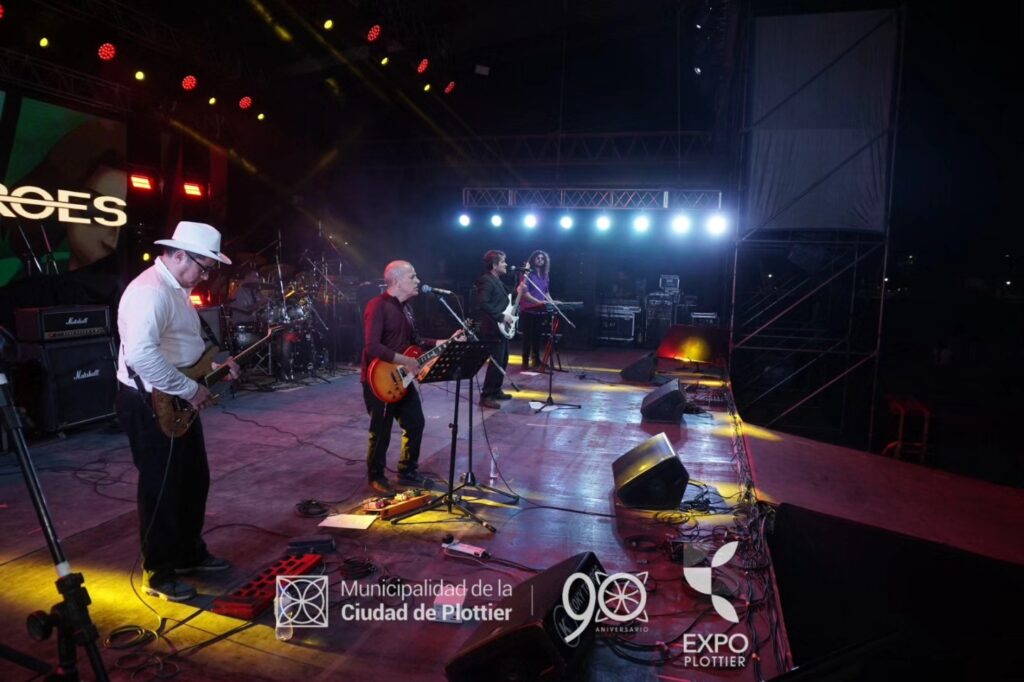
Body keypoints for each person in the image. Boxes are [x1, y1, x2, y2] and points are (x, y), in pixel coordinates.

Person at [115, 221, 239, 602]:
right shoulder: (150, 292)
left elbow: (181, 347)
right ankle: (159, 571)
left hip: (177, 396)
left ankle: (187, 553)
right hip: (151, 402)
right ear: (180, 255)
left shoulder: (177, 289)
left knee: (193, 479)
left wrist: (213, 366)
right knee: (162, 486)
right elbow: (141, 356)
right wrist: (191, 389)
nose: (206, 276)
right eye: (204, 267)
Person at [361, 260, 464, 494]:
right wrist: (406, 361)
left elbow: (416, 342)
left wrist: (446, 342)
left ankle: (407, 471)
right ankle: (375, 476)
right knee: (381, 430)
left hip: (403, 379)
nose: (418, 281)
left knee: (415, 422)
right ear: (397, 280)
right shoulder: (377, 306)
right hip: (379, 379)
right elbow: (372, 346)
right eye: (412, 277)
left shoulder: (407, 308)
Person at [472, 250, 524, 409]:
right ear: (494, 265)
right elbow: (483, 303)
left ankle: (496, 390)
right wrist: (501, 317)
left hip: (500, 328)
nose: (506, 264)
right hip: (492, 327)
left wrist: (518, 290)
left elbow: (506, 298)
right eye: (503, 262)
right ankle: (486, 395)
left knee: (503, 359)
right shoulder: (486, 280)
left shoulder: (497, 280)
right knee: (496, 361)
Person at [518, 250, 551, 370]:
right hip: (528, 309)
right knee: (527, 337)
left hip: (540, 310)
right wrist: (538, 302)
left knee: (537, 336)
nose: (540, 260)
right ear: (533, 259)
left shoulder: (545, 275)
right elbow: (524, 293)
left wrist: (552, 302)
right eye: (538, 258)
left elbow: (546, 292)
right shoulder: (527, 274)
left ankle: (536, 360)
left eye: (542, 258)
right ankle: (525, 361)